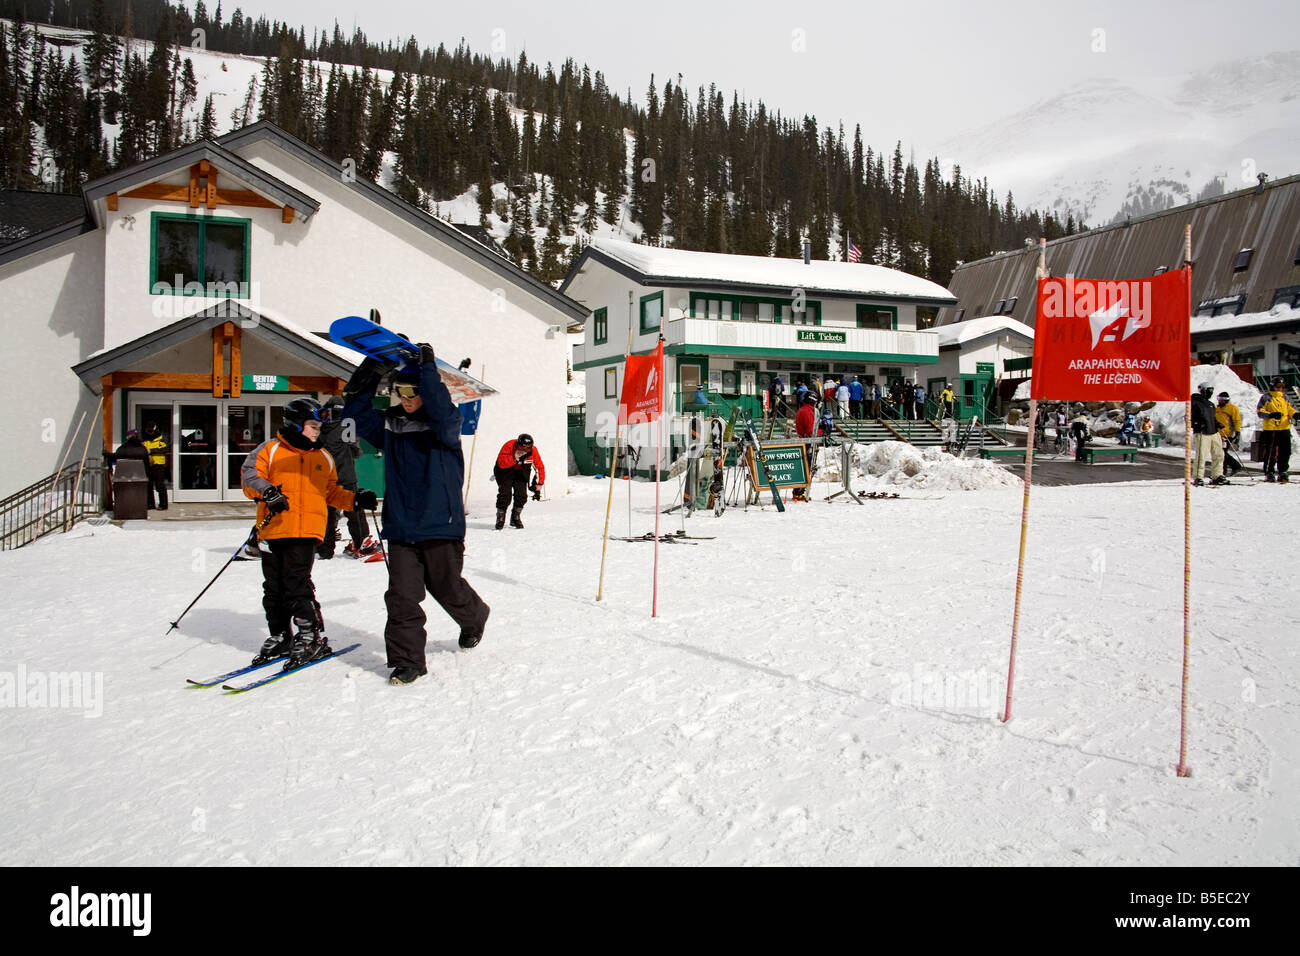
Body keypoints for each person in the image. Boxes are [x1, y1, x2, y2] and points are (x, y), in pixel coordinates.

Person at [339, 348, 491, 685]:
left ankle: (474, 616)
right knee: (402, 596)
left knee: (447, 587)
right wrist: (374, 368)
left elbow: (439, 410)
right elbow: (355, 413)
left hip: (441, 525)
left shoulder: (447, 426)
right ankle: (408, 662)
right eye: (401, 392)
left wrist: (426, 371)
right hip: (402, 526)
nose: (406, 400)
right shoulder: (391, 426)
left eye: (413, 393)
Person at [241, 397, 374, 670]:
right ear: (295, 424)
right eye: (312, 425)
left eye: (319, 426)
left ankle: (309, 635)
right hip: (273, 528)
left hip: (305, 530)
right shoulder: (271, 450)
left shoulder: (323, 456)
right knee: (273, 588)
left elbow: (332, 492)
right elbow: (248, 477)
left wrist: (355, 501)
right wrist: (267, 491)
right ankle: (280, 635)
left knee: (296, 584)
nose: (317, 431)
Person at [319, 396, 378, 559]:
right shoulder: (347, 425)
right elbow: (356, 450)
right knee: (354, 510)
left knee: (329, 513)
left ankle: (325, 548)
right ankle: (362, 543)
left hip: (325, 477)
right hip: (345, 473)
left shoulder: (320, 426)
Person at [494, 433, 546, 529]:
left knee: (522, 496)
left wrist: (540, 483)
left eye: (528, 448)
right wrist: (514, 457)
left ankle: (515, 517)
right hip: (505, 471)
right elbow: (501, 463)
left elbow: (539, 467)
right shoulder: (509, 445)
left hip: (521, 473)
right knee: (505, 494)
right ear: (518, 444)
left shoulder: (533, 451)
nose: (525, 450)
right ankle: (500, 517)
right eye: (522, 447)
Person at [1257, 378, 1298, 483]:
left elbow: (1290, 409)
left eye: (1282, 387)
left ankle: (1283, 471)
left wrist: (1295, 414)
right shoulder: (1266, 397)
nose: (1280, 389)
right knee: (1271, 452)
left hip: (1284, 428)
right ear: (1272, 386)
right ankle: (1269, 472)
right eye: (1278, 386)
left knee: (1285, 452)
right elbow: (1260, 412)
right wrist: (1271, 415)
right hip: (1271, 429)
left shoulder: (1285, 397)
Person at [1191, 384, 1222, 486]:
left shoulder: (1210, 404)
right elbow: (1190, 416)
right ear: (1203, 391)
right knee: (1201, 456)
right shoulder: (1195, 402)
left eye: (1212, 390)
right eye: (1209, 390)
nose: (1211, 392)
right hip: (1202, 432)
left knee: (1219, 454)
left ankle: (1217, 475)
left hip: (1213, 431)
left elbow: (1212, 417)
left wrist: (1217, 423)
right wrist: (1196, 424)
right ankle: (1198, 477)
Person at [792, 394, 817, 501]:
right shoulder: (807, 411)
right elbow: (810, 430)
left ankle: (800, 491)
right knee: (807, 467)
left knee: (805, 466)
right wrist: (822, 431)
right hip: (808, 442)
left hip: (805, 441)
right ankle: (799, 491)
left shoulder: (804, 410)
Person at [141, 421, 169, 510]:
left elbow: (165, 449)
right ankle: (150, 504)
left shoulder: (161, 439)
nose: (150, 433)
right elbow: (143, 450)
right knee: (148, 485)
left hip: (159, 465)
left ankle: (163, 504)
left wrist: (151, 451)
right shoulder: (145, 440)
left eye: (151, 431)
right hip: (148, 465)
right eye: (148, 431)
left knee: (160, 485)